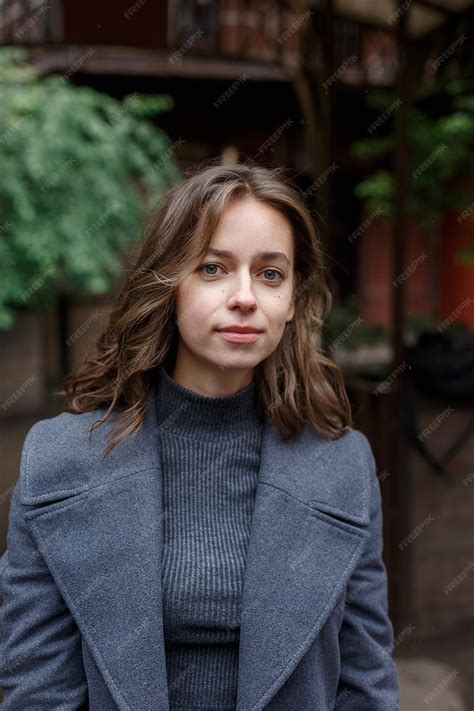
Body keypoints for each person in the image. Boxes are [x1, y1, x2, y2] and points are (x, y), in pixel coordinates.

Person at [0, 161, 400, 710]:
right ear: (169, 285)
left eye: (270, 274)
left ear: (291, 304)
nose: (244, 296)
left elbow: (366, 681)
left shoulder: (343, 465)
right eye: (213, 269)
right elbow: (37, 690)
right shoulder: (59, 461)